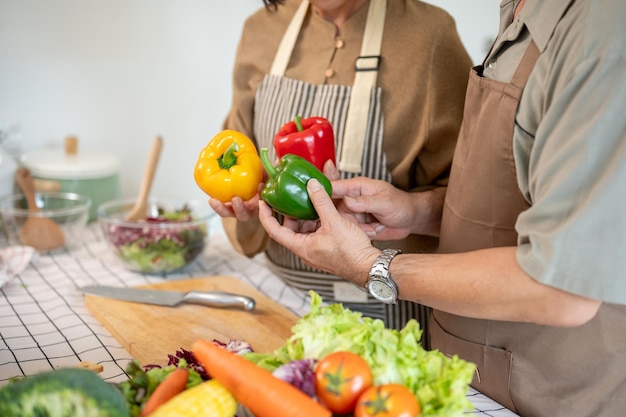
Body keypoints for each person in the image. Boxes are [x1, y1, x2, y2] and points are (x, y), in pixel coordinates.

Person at [258, 0, 626, 416]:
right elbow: (519, 196)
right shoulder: (520, 9)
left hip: (552, 395)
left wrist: (369, 265)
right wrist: (417, 210)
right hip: (466, 377)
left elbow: (562, 289)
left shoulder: (600, 33)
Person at [211, 0, 473, 340]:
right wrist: (245, 204)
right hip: (281, 306)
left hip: (388, 317)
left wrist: (412, 209)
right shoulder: (261, 28)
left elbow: (471, 208)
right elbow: (242, 153)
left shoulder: (430, 36)